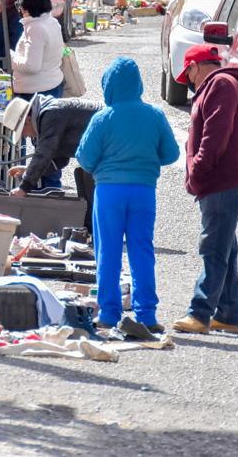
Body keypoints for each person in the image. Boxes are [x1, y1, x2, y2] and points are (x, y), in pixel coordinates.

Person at [76, 57, 180, 332]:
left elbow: (85, 159)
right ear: (138, 84)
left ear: (109, 85)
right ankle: (147, 315)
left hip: (109, 191)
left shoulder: (103, 118)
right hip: (144, 191)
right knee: (142, 250)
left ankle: (109, 314)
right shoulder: (154, 115)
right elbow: (171, 154)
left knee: (108, 252)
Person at [172, 44, 238, 335]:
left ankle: (200, 313)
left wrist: (196, 171)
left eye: (188, 74)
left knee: (213, 248)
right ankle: (230, 315)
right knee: (224, 247)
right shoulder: (221, 84)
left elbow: (214, 137)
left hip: (224, 180)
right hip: (225, 181)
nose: (189, 82)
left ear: (195, 66)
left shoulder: (220, 84)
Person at [8, 94, 102, 197]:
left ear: (27, 120)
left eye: (22, 131)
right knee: (87, 185)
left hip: (107, 142)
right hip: (100, 147)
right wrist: (28, 170)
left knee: (92, 187)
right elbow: (57, 160)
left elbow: (44, 153)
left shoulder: (50, 115)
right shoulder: (47, 113)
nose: (25, 135)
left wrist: (24, 187)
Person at [12, 0, 64, 101]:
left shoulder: (35, 28)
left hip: (35, 93)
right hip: (52, 85)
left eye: (19, 4)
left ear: (26, 5)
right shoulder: (52, 22)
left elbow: (31, 66)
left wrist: (12, 59)